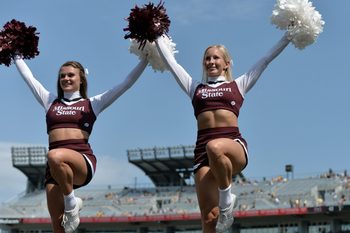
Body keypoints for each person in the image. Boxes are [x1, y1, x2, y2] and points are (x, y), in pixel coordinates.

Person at [154, 32, 291, 232]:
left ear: (226, 63)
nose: (211, 61)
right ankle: (222, 207)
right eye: (207, 58)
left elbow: (266, 59)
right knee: (209, 219)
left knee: (215, 146)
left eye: (216, 57)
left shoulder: (238, 85)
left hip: (232, 146)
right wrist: (156, 36)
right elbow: (172, 64)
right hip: (202, 153)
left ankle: (227, 200)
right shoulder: (195, 88)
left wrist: (287, 36)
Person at [13, 56, 148, 233]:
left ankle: (72, 201)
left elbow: (126, 83)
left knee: (53, 154)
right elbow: (29, 77)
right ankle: (70, 203)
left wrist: (146, 58)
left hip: (81, 161)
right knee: (58, 224)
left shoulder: (93, 103)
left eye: (70, 75)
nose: (66, 79)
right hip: (56, 168)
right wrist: (15, 54)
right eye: (62, 76)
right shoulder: (49, 101)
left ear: (81, 79)